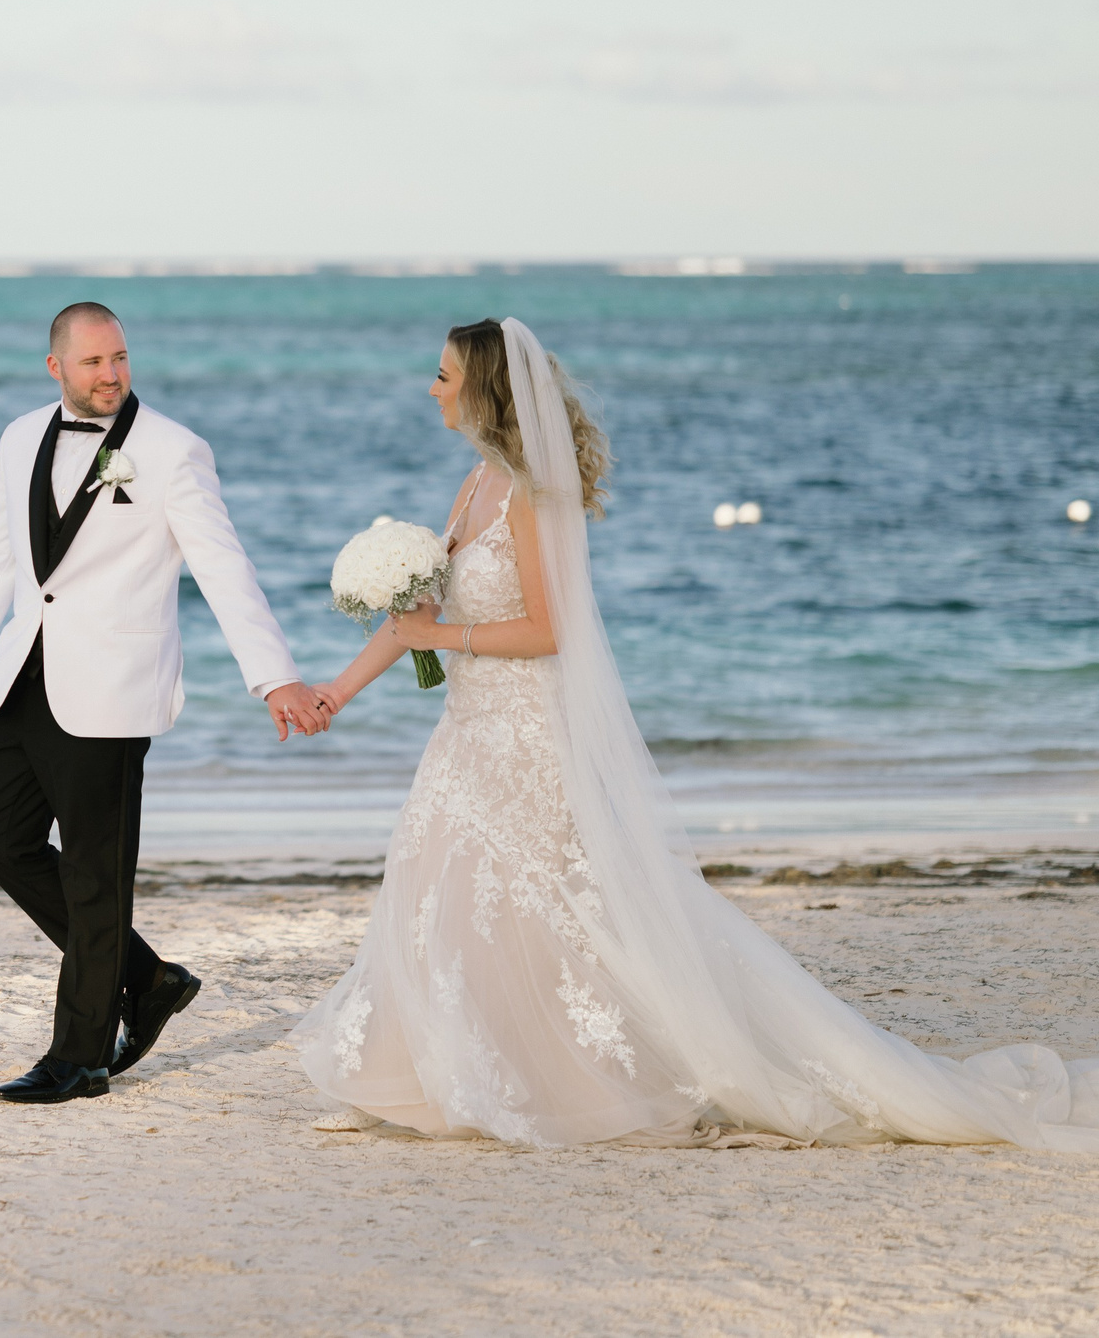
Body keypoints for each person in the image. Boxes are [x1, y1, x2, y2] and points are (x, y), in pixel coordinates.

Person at [298, 317, 1098, 1149]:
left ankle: (563, 1080)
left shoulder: (533, 492)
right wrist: (334, 692)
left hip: (526, 737)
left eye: (443, 376)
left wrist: (443, 639)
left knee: (554, 911)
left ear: (483, 389)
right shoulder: (473, 485)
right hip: (466, 734)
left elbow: (550, 630)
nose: (432, 388)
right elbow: (414, 619)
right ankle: (434, 1076)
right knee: (442, 898)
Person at [0, 302, 331, 1105]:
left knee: (97, 879)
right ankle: (147, 976)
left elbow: (224, 566)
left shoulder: (172, 451)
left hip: (112, 689)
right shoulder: (18, 437)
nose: (111, 374)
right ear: (56, 367)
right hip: (24, 676)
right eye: (94, 362)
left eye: (121, 359)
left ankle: (80, 1057)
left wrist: (273, 674)